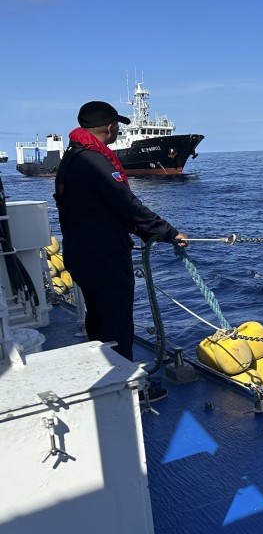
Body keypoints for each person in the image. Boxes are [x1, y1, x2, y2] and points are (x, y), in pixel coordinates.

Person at [54, 101, 188, 399]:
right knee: (116, 325)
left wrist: (146, 231)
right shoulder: (94, 161)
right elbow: (127, 206)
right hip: (103, 257)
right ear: (110, 127)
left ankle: (106, 381)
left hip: (81, 252)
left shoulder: (72, 157)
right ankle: (126, 392)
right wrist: (168, 232)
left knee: (99, 320)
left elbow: (104, 209)